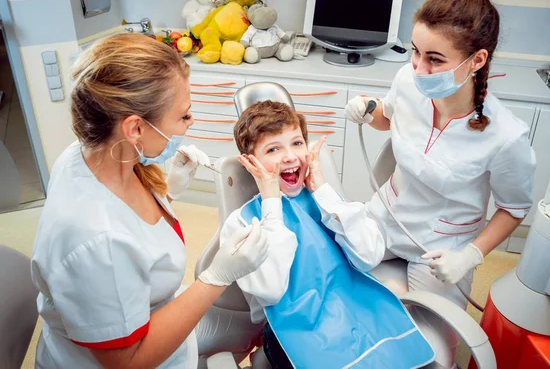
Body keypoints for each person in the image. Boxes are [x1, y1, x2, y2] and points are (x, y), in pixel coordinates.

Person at [30, 33, 269, 369]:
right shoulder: (97, 241)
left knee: (253, 329)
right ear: (135, 129)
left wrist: (168, 191)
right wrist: (218, 275)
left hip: (153, 311)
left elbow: (131, 228)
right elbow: (129, 361)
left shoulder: (86, 154)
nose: (191, 122)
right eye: (183, 116)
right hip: (136, 356)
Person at [344, 0, 536, 364]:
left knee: (432, 355)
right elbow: (391, 118)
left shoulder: (507, 137)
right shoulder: (408, 80)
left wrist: (470, 255)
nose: (418, 68)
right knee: (345, 307)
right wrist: (371, 110)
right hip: (385, 218)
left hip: (441, 247)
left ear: (477, 60)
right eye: (415, 51)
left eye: (434, 59)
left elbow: (514, 208)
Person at [220, 100, 435, 369]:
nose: (290, 157)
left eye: (297, 144)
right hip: (295, 333)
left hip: (355, 313)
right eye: (274, 149)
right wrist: (271, 202)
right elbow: (272, 290)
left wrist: (323, 191)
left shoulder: (323, 200)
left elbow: (368, 256)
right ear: (250, 161)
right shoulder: (241, 222)